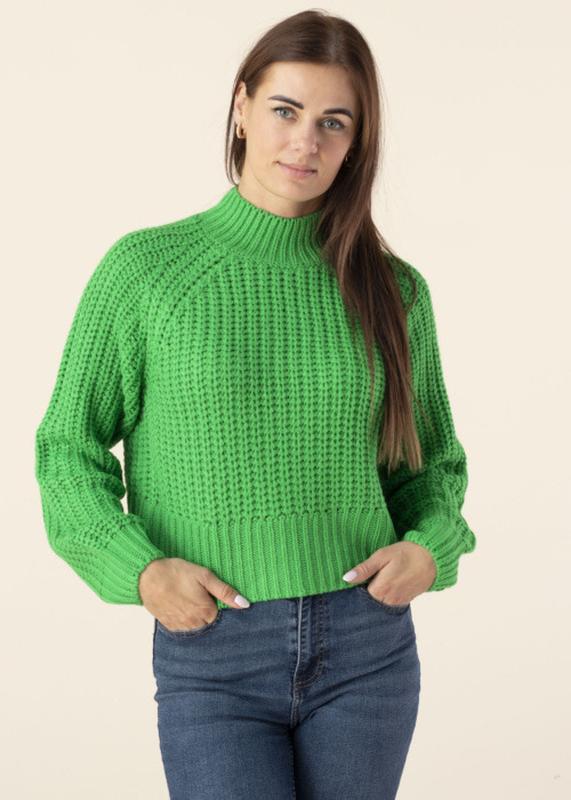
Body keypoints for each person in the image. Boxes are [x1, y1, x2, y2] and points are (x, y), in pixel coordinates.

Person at [34, 9, 477, 799]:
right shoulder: (148, 272)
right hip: (216, 650)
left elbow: (429, 463)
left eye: (333, 122)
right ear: (241, 108)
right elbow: (67, 447)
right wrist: (139, 571)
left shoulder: (392, 289)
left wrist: (428, 549)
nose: (305, 142)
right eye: (285, 110)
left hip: (366, 648)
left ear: (356, 143)